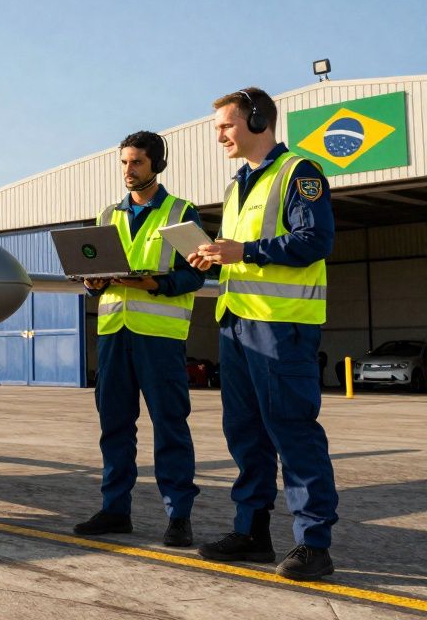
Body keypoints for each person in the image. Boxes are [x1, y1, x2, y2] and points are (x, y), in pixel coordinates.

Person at [187, 87, 339, 581]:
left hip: (280, 327)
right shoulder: (238, 185)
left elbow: (314, 240)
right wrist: (213, 254)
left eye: (226, 126)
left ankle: (314, 544)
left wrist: (245, 251)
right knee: (245, 434)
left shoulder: (300, 172)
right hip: (236, 324)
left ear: (257, 120)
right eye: (217, 129)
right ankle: (252, 533)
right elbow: (241, 251)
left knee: (292, 430)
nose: (220, 136)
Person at [73, 131, 205, 547]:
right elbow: (96, 279)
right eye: (124, 163)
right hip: (114, 334)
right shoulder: (107, 215)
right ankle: (115, 510)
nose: (128, 171)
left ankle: (178, 516)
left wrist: (155, 283)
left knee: (169, 426)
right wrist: (92, 282)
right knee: (114, 426)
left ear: (157, 165)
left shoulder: (181, 213)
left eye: (137, 163)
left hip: (159, 337)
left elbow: (197, 272)